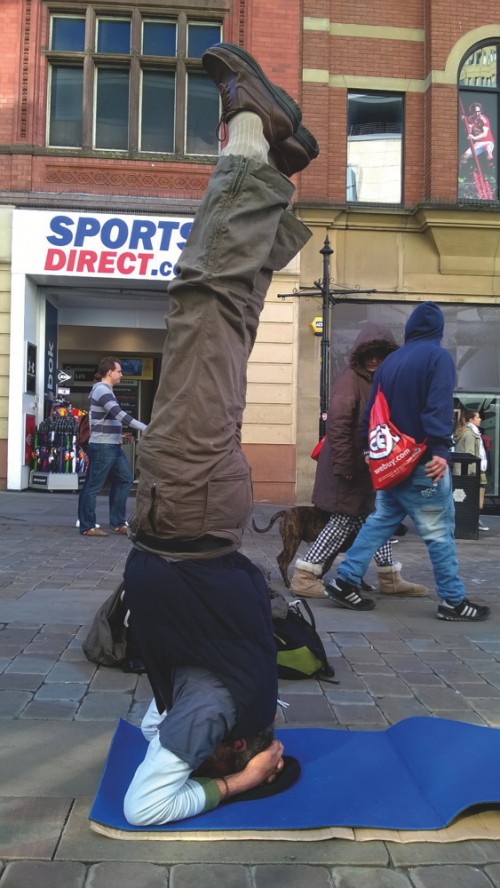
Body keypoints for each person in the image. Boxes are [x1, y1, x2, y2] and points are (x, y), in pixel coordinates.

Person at [122, 42, 319, 825]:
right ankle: (251, 137)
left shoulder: (213, 702)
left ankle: (274, 162)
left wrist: (249, 758)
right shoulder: (217, 712)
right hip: (187, 506)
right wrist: (242, 781)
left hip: (194, 512)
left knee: (219, 320)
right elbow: (145, 806)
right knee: (205, 304)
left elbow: (155, 729)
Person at [327, 302, 490, 622]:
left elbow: (372, 412)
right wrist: (441, 451)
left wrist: (369, 451)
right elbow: (438, 407)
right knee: (440, 531)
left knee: (380, 523)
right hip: (422, 461)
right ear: (438, 330)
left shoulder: (390, 363)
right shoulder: (438, 357)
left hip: (392, 462)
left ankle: (344, 581)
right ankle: (452, 601)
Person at [290, 326, 428, 605]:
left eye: (380, 354)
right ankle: (304, 577)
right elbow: (338, 424)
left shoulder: (381, 381)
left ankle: (389, 577)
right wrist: (344, 466)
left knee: (379, 520)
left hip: (368, 468)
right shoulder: (351, 379)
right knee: (343, 521)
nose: (374, 360)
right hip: (349, 468)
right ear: (360, 355)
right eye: (369, 354)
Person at [78, 356, 147, 537]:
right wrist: (146, 428)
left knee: (125, 478)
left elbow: (110, 417)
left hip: (112, 444)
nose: (121, 374)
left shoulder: (105, 389)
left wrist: (118, 433)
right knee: (93, 486)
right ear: (110, 372)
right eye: (119, 371)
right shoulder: (102, 389)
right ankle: (87, 526)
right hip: (103, 446)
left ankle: (117, 522)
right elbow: (119, 415)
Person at [454, 407, 489, 532]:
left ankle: (473, 519)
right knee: (473, 495)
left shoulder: (472, 432)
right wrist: (473, 473)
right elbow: (470, 456)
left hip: (471, 470)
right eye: (478, 417)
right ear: (471, 419)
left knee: (472, 495)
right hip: (471, 471)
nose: (480, 419)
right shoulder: (470, 433)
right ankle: (473, 520)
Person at [461, 102, 495, 167]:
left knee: (488, 151)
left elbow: (484, 134)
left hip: (488, 141)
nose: (477, 113)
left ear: (481, 111)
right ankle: (463, 171)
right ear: (472, 111)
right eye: (475, 112)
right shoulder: (470, 119)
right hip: (479, 143)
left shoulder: (484, 120)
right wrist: (464, 122)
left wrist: (474, 138)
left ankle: (491, 166)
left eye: (478, 111)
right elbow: (468, 132)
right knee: (464, 157)